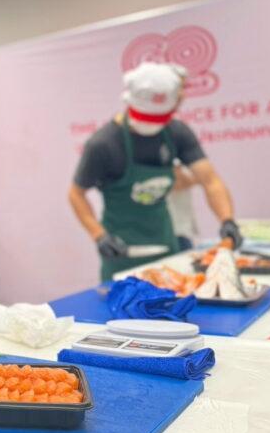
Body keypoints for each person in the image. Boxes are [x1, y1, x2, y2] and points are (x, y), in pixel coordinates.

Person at [68, 62, 242, 281]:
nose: (153, 126)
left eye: (160, 118)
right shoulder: (103, 144)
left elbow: (210, 181)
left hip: (165, 243)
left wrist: (227, 220)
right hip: (121, 250)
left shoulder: (176, 132)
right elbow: (76, 194)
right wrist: (98, 235)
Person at [167, 161, 201, 251]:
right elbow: (177, 185)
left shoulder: (181, 158)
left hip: (182, 228)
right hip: (172, 228)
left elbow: (199, 179)